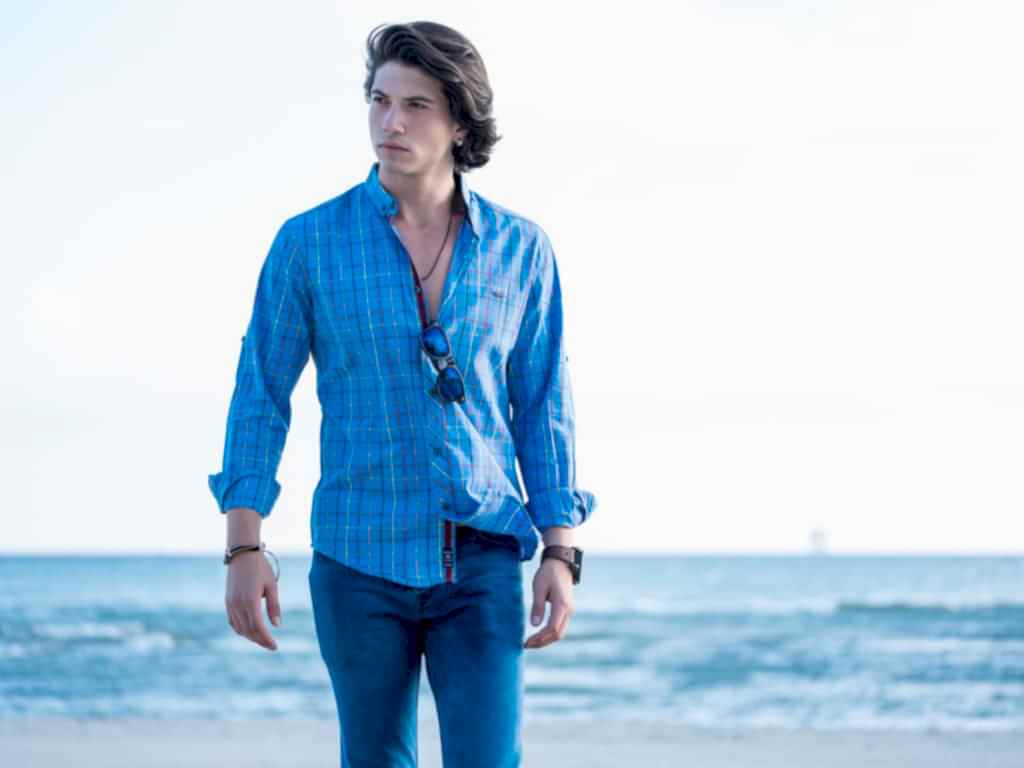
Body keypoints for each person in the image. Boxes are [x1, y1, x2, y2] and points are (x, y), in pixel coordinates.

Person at [208, 20, 597, 768]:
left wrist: (560, 550)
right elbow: (260, 392)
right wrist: (244, 544)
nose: (391, 122)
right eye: (380, 100)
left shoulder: (522, 249)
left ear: (460, 124)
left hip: (481, 556)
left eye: (416, 105)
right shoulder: (308, 243)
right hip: (358, 556)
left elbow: (544, 405)